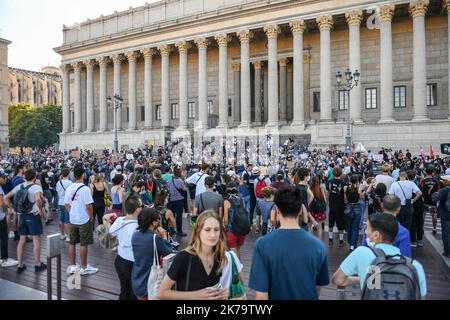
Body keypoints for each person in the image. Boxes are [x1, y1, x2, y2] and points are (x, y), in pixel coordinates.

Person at [248, 187, 329, 300]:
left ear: (278, 211)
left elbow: (261, 295)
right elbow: (318, 286)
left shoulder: (262, 245)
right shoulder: (318, 246)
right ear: (301, 209)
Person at [332, 213, 426, 299]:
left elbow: (338, 280)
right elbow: (420, 296)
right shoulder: (415, 266)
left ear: (376, 235)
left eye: (367, 228)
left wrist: (363, 279)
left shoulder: (361, 253)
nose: (365, 232)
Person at [157, 210, 229, 300]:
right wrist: (196, 295)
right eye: (207, 230)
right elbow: (162, 293)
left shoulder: (219, 257)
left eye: (216, 230)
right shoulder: (184, 257)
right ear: (198, 231)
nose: (213, 235)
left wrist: (219, 295)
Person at [4, 169, 47, 273]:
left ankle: (20, 264)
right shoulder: (36, 187)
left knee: (22, 240)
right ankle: (37, 264)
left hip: (22, 216)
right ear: (34, 177)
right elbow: (37, 199)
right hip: (33, 216)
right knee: (36, 240)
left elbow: (5, 197)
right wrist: (41, 209)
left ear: (25, 177)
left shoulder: (19, 186)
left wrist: (12, 209)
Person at [103, 194, 141, 300]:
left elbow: (111, 234)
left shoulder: (120, 220)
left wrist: (106, 222)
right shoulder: (138, 226)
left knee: (124, 289)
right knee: (134, 292)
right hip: (133, 263)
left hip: (120, 260)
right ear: (137, 210)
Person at [131, 207, 172, 300]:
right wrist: (164, 237)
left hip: (137, 279)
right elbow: (168, 252)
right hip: (149, 282)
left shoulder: (135, 235)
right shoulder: (155, 238)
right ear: (153, 222)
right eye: (157, 220)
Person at [64, 166, 98, 276]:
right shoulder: (85, 188)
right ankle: (84, 267)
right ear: (83, 175)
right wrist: (91, 217)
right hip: (84, 219)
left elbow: (66, 204)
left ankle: (72, 266)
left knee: (72, 242)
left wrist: (72, 212)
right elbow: (88, 206)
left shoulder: (70, 187)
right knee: (84, 243)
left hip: (73, 219)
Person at [0, 170, 18, 268]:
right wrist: (7, 210)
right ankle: (4, 259)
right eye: (3, 177)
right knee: (3, 237)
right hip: (0, 217)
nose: (5, 179)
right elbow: (1, 203)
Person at [431, 175, 450, 259]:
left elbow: (434, 199)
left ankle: (448, 252)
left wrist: (435, 193)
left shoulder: (445, 190)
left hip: (446, 214)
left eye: (444, 180)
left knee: (446, 233)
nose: (443, 181)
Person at [344, 175, 364, 252]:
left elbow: (345, 200)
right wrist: (360, 191)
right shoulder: (359, 189)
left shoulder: (346, 188)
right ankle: (352, 245)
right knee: (355, 228)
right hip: (357, 208)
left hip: (348, 207)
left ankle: (350, 242)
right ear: (357, 181)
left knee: (349, 228)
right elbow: (362, 198)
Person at [419, 166, 441, 235]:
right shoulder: (436, 181)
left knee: (423, 214)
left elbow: (420, 190)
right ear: (433, 173)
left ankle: (421, 228)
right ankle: (434, 228)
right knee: (434, 214)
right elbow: (438, 190)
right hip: (433, 200)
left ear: (425, 172)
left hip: (425, 200)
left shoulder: (423, 181)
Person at [328, 166, 346, 247]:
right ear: (341, 173)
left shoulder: (329, 182)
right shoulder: (343, 183)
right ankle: (341, 241)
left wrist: (328, 201)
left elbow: (328, 193)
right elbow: (345, 195)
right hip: (340, 205)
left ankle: (330, 239)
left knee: (331, 222)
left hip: (332, 204)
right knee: (340, 223)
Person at [167, 167, 188, 237]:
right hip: (179, 200)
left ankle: (172, 230)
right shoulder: (180, 181)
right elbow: (185, 189)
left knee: (171, 215)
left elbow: (168, 189)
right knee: (179, 216)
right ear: (179, 173)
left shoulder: (169, 181)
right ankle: (179, 231)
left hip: (171, 200)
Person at [55, 167, 72, 242]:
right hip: (67, 203)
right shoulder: (70, 183)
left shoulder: (58, 182)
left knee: (61, 219)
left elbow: (57, 192)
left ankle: (62, 234)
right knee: (67, 220)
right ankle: (68, 236)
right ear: (68, 174)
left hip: (60, 202)